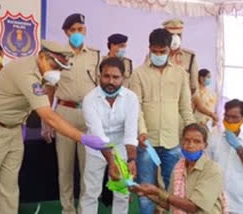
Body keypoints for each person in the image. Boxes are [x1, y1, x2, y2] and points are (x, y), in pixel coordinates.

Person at [0, 40, 107, 214]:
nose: (57, 72)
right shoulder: (26, 73)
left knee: (9, 189)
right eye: (55, 66)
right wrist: (83, 138)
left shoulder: (43, 73)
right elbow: (49, 115)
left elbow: (46, 95)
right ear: (42, 56)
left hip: (13, 130)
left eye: (61, 69)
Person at [129, 28, 195, 214]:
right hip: (146, 142)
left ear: (170, 50)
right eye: (155, 51)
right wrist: (141, 131)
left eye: (162, 52)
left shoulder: (181, 74)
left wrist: (191, 133)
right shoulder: (138, 74)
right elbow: (136, 108)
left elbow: (185, 108)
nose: (158, 55)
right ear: (149, 48)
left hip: (172, 141)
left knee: (174, 191)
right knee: (145, 191)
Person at [45, 13, 101, 214]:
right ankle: (67, 209)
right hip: (64, 114)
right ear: (66, 32)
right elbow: (50, 89)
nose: (77, 33)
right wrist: (47, 121)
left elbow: (101, 88)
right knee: (65, 168)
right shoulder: (58, 55)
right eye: (73, 30)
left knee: (88, 168)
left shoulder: (96, 55)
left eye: (81, 29)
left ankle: (85, 209)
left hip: (88, 116)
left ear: (85, 30)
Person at [80, 57, 138, 214]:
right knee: (91, 192)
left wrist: (131, 159)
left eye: (115, 77)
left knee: (122, 193)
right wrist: (112, 162)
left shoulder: (131, 98)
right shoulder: (90, 99)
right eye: (106, 76)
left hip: (121, 148)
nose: (110, 81)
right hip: (96, 149)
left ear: (123, 78)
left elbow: (131, 133)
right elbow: (99, 136)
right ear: (99, 76)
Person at [131, 123, 227, 214]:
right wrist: (146, 192)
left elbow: (193, 207)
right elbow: (170, 204)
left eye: (197, 141)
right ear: (181, 142)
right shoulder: (179, 168)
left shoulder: (212, 170)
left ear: (204, 146)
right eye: (187, 140)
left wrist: (158, 191)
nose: (190, 145)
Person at [207, 99, 243, 214]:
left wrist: (239, 148)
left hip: (241, 204)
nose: (229, 120)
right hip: (216, 201)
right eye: (227, 116)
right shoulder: (213, 137)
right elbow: (207, 166)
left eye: (234, 117)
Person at [162, 18, 199, 95]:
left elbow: (194, 86)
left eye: (178, 35)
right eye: (172, 35)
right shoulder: (156, 56)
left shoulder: (189, 57)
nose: (175, 38)